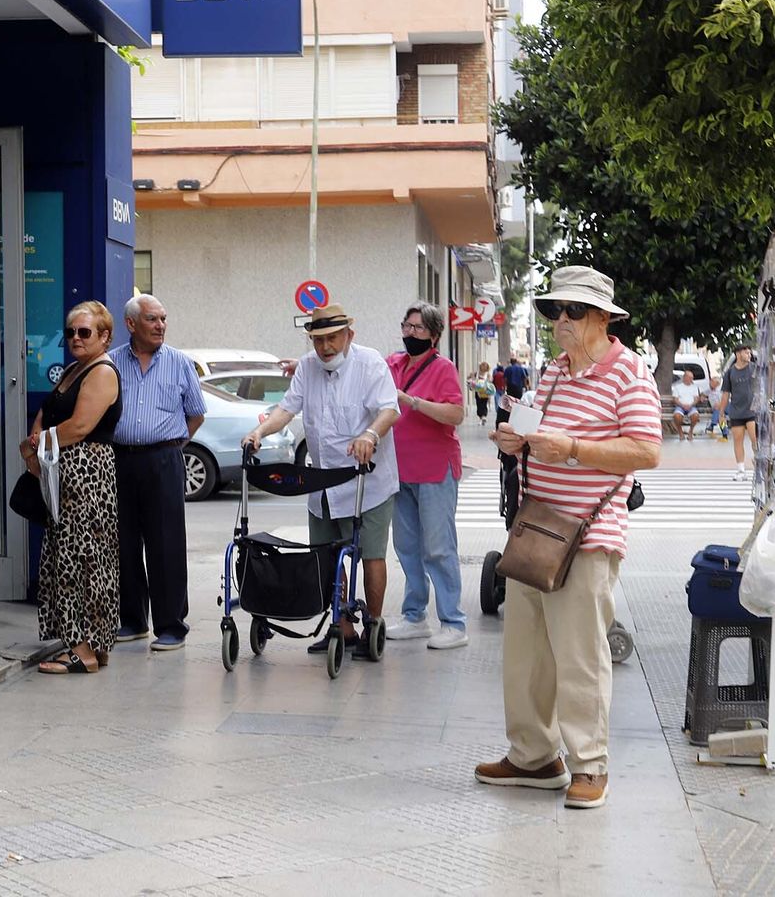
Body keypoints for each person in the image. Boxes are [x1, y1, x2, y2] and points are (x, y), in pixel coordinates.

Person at [475, 266, 661, 810]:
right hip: (537, 524)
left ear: (604, 317)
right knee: (525, 650)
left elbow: (647, 450)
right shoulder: (554, 371)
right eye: (556, 309)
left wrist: (573, 448)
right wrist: (518, 441)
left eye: (573, 311)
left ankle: (589, 764)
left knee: (579, 654)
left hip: (589, 530)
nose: (561, 320)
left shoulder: (629, 372)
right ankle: (533, 756)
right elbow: (540, 433)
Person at [243, 304, 399, 657]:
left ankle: (373, 623)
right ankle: (342, 627)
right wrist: (260, 430)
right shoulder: (308, 368)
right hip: (323, 481)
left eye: (332, 338)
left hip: (367, 482)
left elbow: (389, 408)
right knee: (326, 556)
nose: (326, 347)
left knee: (371, 555)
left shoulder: (370, 363)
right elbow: (287, 408)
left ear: (349, 336)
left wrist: (371, 435)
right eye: (318, 340)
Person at [23, 301, 122, 674]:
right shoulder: (73, 369)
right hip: (64, 473)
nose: (76, 338)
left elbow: (80, 426)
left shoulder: (101, 372)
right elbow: (48, 411)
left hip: (87, 476)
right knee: (71, 556)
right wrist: (38, 433)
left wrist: (35, 443)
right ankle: (89, 645)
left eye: (85, 332)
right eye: (70, 332)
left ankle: (84, 651)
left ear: (105, 336)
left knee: (81, 560)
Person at [108, 295, 206, 651]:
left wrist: (172, 446)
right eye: (152, 319)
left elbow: (196, 414)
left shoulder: (179, 363)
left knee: (165, 543)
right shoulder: (112, 363)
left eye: (163, 319)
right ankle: (132, 620)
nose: (160, 325)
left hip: (164, 459)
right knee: (124, 542)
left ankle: (171, 625)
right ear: (131, 324)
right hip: (121, 459)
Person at [384, 302, 468, 649]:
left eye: (418, 328)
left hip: (435, 470)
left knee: (438, 547)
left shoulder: (443, 368)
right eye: (406, 326)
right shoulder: (392, 363)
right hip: (399, 469)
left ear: (434, 335)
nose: (410, 333)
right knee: (406, 546)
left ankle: (454, 622)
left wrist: (413, 401)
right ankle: (415, 615)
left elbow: (456, 413)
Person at [719, 344, 758, 478]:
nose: (749, 355)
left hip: (752, 411)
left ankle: (758, 464)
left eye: (749, 352)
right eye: (746, 352)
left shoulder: (754, 369)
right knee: (737, 439)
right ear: (738, 354)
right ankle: (741, 469)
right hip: (736, 411)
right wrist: (721, 413)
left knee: (755, 439)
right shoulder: (730, 373)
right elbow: (725, 394)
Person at [671, 371, 701, 439]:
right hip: (680, 406)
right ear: (685, 377)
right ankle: (680, 432)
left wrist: (690, 405)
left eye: (692, 378)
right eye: (690, 378)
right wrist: (682, 405)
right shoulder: (677, 387)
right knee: (677, 416)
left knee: (696, 416)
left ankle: (690, 432)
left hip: (691, 406)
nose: (691, 379)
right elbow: (675, 399)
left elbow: (696, 399)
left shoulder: (694, 387)